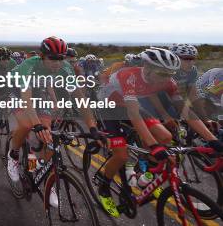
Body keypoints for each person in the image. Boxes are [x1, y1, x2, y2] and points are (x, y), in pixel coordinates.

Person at [95, 48, 222, 218]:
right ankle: (104, 188)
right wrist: (153, 146)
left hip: (132, 106)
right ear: (147, 68)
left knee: (166, 137)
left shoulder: (168, 82)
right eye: (163, 73)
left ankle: (144, 175)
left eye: (171, 73)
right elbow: (133, 114)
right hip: (110, 110)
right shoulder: (129, 75)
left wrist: (212, 140)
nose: (167, 78)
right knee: (121, 155)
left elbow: (185, 111)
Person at [6, 36, 102, 208]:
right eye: (53, 58)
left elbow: (80, 98)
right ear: (42, 56)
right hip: (17, 89)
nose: (57, 62)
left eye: (61, 58)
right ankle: (13, 155)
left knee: (48, 138)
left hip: (40, 89)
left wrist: (93, 127)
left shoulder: (65, 68)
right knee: (28, 125)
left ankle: (42, 171)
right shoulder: (29, 65)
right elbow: (26, 99)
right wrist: (36, 124)